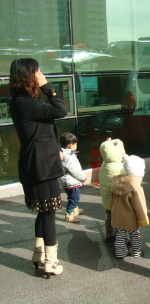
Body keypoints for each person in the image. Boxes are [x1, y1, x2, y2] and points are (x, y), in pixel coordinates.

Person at [9, 58, 67, 278]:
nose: (40, 74)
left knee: (44, 212)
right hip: (41, 165)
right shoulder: (26, 102)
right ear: (29, 75)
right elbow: (60, 111)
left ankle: (39, 255)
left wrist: (54, 147)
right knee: (49, 212)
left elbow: (41, 130)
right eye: (37, 72)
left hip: (36, 162)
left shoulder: (19, 101)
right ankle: (51, 262)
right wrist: (48, 87)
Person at [111, 154, 149, 258]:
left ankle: (120, 252)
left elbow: (112, 200)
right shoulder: (136, 187)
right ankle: (137, 251)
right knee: (134, 234)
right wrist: (143, 219)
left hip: (117, 216)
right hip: (131, 217)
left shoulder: (116, 183)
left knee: (120, 234)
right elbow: (140, 205)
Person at [99, 138, 126, 243]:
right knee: (118, 218)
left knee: (109, 216)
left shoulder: (104, 166)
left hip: (107, 199)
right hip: (117, 199)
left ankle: (109, 234)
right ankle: (120, 238)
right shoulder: (120, 167)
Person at [59, 132, 87, 223]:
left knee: (72, 196)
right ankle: (69, 215)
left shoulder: (63, 154)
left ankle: (75, 210)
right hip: (71, 182)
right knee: (74, 198)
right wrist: (83, 177)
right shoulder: (69, 157)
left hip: (66, 180)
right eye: (75, 144)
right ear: (71, 146)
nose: (76, 146)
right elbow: (74, 170)